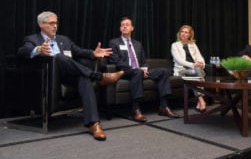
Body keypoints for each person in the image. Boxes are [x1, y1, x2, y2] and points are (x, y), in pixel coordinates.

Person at [17, 11, 124, 141]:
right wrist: (38, 49)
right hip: (49, 77)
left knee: (83, 78)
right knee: (59, 57)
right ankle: (99, 77)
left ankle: (93, 124)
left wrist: (93, 53)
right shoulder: (32, 39)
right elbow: (22, 51)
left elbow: (79, 51)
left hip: (68, 75)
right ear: (41, 24)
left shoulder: (64, 39)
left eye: (56, 23)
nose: (55, 26)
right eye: (51, 23)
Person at [108, 17, 179, 122]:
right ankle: (135, 110)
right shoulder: (114, 42)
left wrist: (144, 69)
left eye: (127, 24)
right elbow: (116, 61)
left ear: (132, 28)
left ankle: (163, 107)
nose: (124, 26)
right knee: (137, 71)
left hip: (140, 70)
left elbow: (143, 61)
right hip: (125, 71)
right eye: (122, 25)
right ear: (120, 28)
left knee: (163, 72)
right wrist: (137, 69)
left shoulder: (137, 44)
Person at [171, 25, 206, 113]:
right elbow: (179, 61)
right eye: (182, 32)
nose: (183, 34)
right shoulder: (175, 45)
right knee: (198, 73)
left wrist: (201, 64)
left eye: (186, 32)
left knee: (196, 73)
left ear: (190, 35)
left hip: (194, 70)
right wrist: (194, 65)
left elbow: (200, 57)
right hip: (181, 71)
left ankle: (199, 102)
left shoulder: (193, 45)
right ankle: (201, 100)